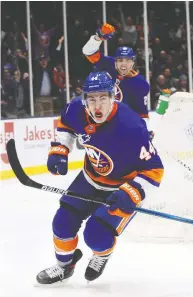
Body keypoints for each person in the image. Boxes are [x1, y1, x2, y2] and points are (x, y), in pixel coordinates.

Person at [36, 71, 164, 284]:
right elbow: (66, 126)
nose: (97, 105)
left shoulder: (131, 127)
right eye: (92, 99)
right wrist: (60, 149)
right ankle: (64, 266)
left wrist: (131, 193)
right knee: (62, 222)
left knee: (96, 235)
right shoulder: (75, 108)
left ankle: (101, 255)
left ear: (113, 97)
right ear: (84, 99)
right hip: (90, 178)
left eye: (103, 98)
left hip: (120, 188)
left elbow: (154, 170)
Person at [82, 23, 150, 129]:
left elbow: (142, 113)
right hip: (102, 120)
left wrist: (145, 131)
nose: (123, 64)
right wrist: (98, 37)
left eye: (127, 60)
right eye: (120, 60)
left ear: (132, 63)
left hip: (124, 126)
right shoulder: (108, 64)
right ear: (115, 61)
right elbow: (88, 52)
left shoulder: (140, 84)